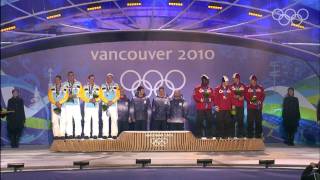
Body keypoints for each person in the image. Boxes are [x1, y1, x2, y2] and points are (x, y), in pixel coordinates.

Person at [63, 71, 83, 139]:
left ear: (74, 76)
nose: (71, 77)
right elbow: (62, 93)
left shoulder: (78, 83)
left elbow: (81, 93)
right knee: (68, 120)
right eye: (69, 75)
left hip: (76, 104)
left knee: (77, 119)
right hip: (67, 105)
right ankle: (69, 134)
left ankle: (78, 134)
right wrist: (67, 96)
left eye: (72, 75)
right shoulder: (64, 84)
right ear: (67, 76)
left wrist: (74, 95)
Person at [193, 74, 215, 138]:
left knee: (209, 121)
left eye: (206, 80)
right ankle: (198, 135)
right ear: (202, 80)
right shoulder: (197, 88)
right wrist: (201, 100)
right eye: (203, 80)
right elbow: (195, 97)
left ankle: (209, 135)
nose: (205, 81)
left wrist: (209, 99)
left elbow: (213, 96)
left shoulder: (210, 89)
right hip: (200, 108)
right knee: (199, 121)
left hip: (208, 107)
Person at [99, 73, 120, 139]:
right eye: (108, 77)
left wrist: (112, 101)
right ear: (106, 78)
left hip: (113, 105)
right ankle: (105, 134)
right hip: (105, 105)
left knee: (114, 119)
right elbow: (101, 95)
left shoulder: (116, 85)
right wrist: (107, 101)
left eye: (110, 78)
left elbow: (118, 95)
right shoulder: (102, 85)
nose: (109, 79)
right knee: (105, 119)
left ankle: (114, 134)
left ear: (112, 78)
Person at [48, 75, 68, 139]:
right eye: (55, 80)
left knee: (62, 121)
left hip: (62, 106)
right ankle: (56, 135)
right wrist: (56, 103)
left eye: (58, 79)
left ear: (60, 80)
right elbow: (50, 97)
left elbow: (66, 96)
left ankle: (62, 135)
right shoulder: (52, 88)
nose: (56, 81)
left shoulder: (65, 88)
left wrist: (60, 103)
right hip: (54, 106)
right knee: (55, 121)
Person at [81, 74, 100, 139]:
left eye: (93, 79)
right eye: (91, 79)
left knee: (95, 120)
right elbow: (82, 97)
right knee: (87, 120)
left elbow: (100, 96)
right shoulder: (84, 87)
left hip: (95, 107)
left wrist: (96, 99)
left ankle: (95, 134)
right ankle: (87, 134)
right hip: (87, 107)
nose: (92, 80)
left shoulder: (97, 87)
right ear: (88, 79)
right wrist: (89, 100)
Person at [230, 73, 246, 138]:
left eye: (234, 78)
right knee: (232, 120)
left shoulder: (243, 86)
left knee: (240, 120)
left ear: (237, 78)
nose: (233, 80)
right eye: (233, 79)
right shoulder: (230, 86)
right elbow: (229, 95)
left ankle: (240, 135)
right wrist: (234, 96)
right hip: (233, 107)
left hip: (241, 107)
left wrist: (243, 97)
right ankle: (232, 135)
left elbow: (246, 94)